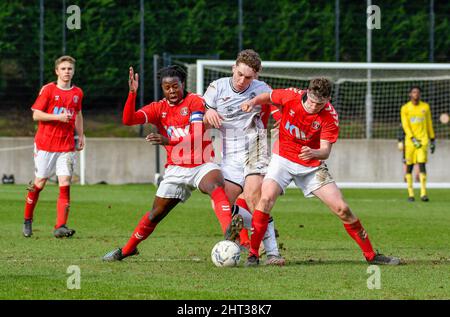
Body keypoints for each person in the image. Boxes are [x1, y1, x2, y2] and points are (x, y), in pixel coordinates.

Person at [241, 78, 401, 266]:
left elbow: (325, 150)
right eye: (312, 101)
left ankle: (371, 255)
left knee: (342, 208)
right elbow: (268, 97)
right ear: (307, 93)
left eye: (320, 104)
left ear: (328, 99)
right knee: (266, 199)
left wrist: (314, 152)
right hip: (283, 159)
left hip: (312, 165)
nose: (314, 106)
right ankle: (253, 255)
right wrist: (252, 102)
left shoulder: (330, 116)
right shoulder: (291, 95)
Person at [103, 65, 239, 261]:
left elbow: (197, 135)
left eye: (175, 86)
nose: (172, 91)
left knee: (215, 185)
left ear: (182, 84)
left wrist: (168, 141)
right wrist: (132, 93)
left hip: (202, 164)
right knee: (155, 215)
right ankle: (128, 249)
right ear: (162, 88)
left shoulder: (195, 101)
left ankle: (229, 236)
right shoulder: (159, 108)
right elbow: (128, 120)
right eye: (167, 87)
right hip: (175, 169)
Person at [203, 49, 284, 265]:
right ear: (233, 68)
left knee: (252, 196)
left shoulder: (262, 89)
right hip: (230, 154)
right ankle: (262, 224)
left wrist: (281, 123)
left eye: (248, 77)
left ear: (255, 76)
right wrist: (207, 113)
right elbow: (200, 115)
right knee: (220, 204)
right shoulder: (216, 87)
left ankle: (273, 253)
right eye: (239, 74)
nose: (241, 80)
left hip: (255, 147)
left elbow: (278, 109)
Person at [22, 55, 84, 238]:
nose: (67, 72)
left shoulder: (78, 93)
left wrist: (81, 134)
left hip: (65, 146)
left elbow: (78, 114)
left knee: (64, 183)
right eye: (63, 69)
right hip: (45, 145)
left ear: (73, 71)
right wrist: (58, 117)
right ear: (57, 71)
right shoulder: (48, 90)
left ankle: (60, 226)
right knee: (38, 184)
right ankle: (27, 219)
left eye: (70, 69)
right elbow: (36, 115)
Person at [400, 86, 436, 202]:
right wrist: (412, 138)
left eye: (418, 92)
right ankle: (411, 194)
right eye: (414, 92)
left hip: (423, 140)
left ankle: (423, 193)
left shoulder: (425, 107)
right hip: (410, 142)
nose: (416, 94)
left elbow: (429, 123)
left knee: (422, 164)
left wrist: (432, 139)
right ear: (410, 94)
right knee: (409, 167)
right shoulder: (405, 108)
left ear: (420, 95)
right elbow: (405, 125)